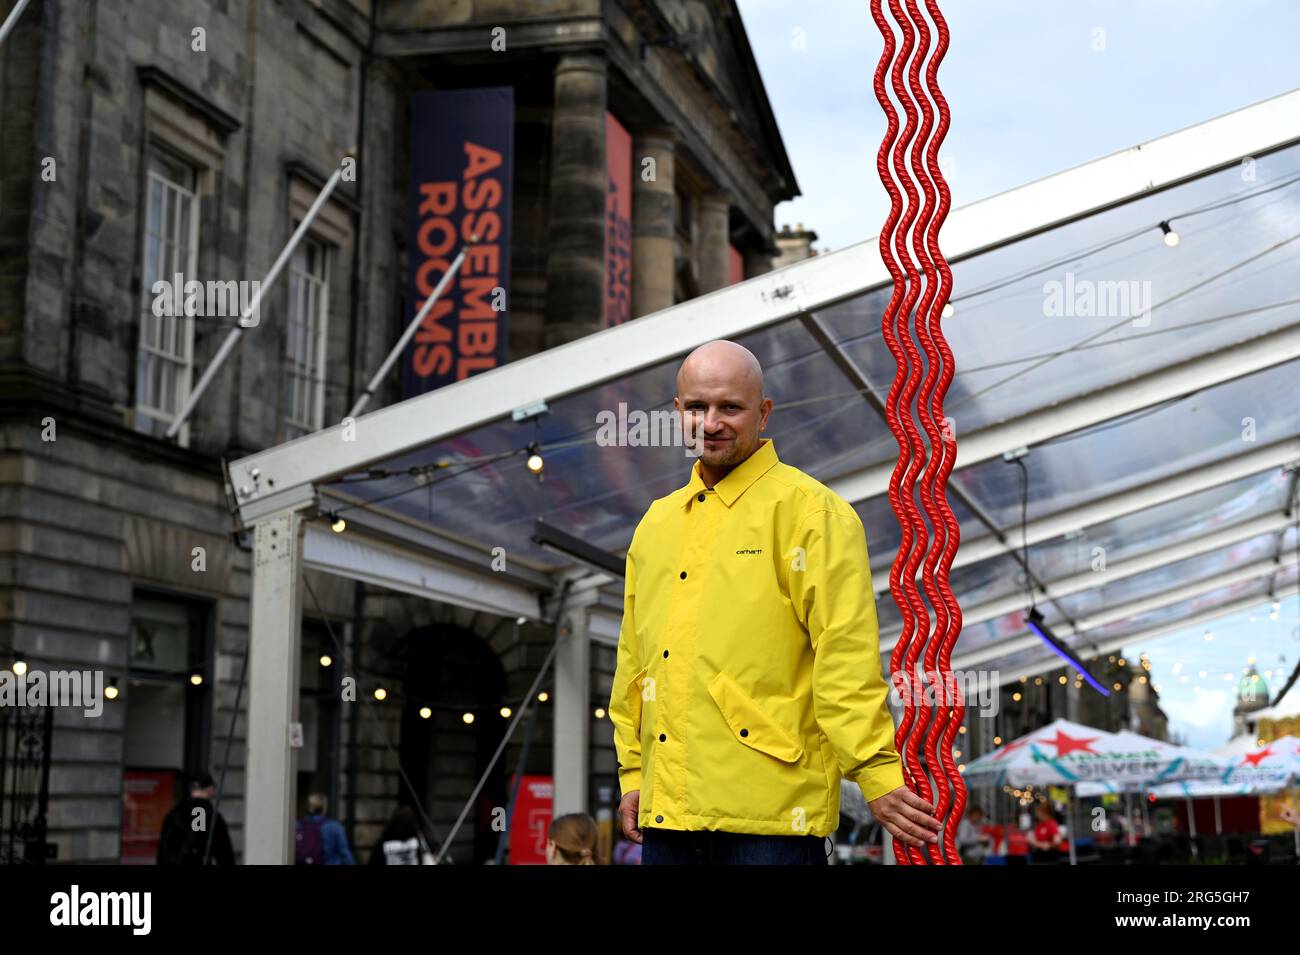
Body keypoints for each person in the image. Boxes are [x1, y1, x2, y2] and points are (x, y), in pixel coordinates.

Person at [608, 340, 942, 866]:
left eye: (730, 407)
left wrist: (875, 773)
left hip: (773, 824)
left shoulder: (814, 515)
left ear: (763, 414)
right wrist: (634, 773)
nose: (711, 422)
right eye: (697, 407)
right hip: (667, 818)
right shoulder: (657, 524)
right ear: (678, 412)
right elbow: (635, 662)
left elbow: (845, 657)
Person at [157, 771, 235, 865]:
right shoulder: (212, 817)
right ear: (210, 789)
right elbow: (225, 856)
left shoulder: (173, 815)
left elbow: (163, 853)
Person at [295, 793, 355, 864]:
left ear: (308, 808)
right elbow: (344, 852)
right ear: (324, 807)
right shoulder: (334, 827)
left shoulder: (297, 825)